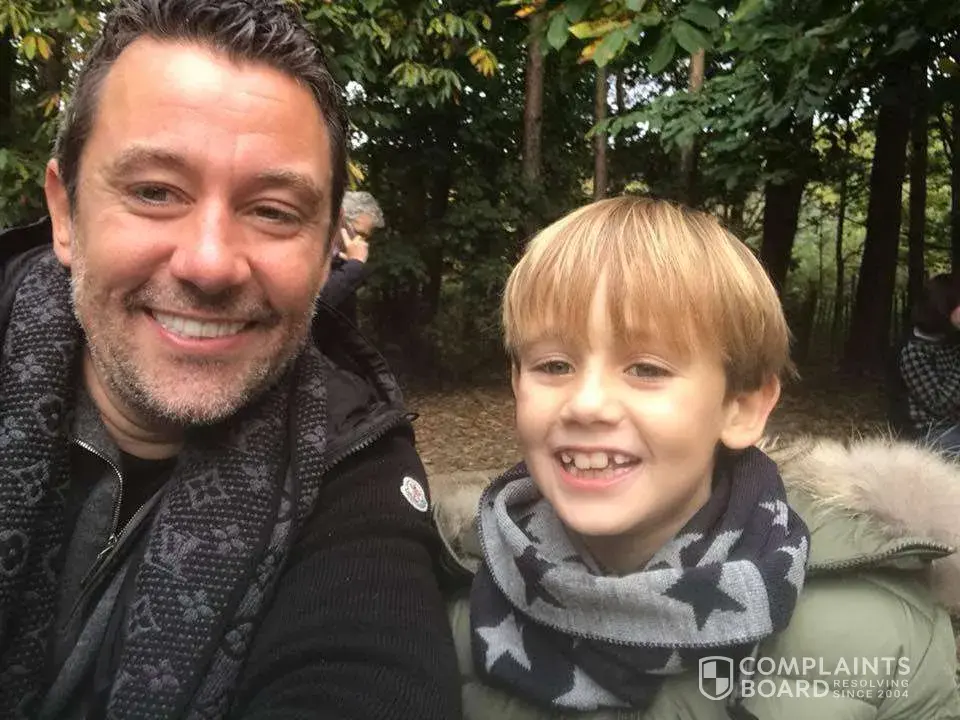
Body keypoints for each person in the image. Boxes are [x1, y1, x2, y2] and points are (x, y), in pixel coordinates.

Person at [0, 1, 460, 718]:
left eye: (273, 210)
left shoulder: (355, 467)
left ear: (327, 251)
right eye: (155, 192)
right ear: (65, 214)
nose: (210, 263)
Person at [432, 197, 960, 719]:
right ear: (516, 384)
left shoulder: (889, 637)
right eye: (553, 365)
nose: (586, 404)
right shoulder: (440, 602)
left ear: (742, 408)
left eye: (646, 369)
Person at [896, 273, 960, 453]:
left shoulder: (951, 339)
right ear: (943, 307)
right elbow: (940, 405)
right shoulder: (913, 351)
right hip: (929, 433)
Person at [319, 190, 385, 325]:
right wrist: (355, 265)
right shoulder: (313, 252)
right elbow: (317, 305)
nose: (361, 242)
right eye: (358, 233)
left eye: (365, 237)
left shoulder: (342, 261)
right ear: (340, 220)